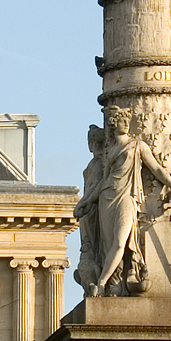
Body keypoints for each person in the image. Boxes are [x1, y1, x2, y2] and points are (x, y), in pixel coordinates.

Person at [94, 108, 171, 294]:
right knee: (108, 244)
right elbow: (103, 181)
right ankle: (113, 285)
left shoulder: (138, 145)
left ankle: (102, 282)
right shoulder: (111, 151)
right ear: (113, 125)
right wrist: (86, 201)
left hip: (128, 196)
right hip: (108, 197)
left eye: (126, 120)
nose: (124, 124)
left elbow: (157, 169)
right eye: (120, 121)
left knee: (121, 242)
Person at [73, 125, 105, 292]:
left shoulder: (98, 163)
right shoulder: (95, 163)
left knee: (91, 243)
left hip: (91, 207)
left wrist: (83, 202)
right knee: (88, 243)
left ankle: (95, 279)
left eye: (90, 140)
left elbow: (94, 187)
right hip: (88, 207)